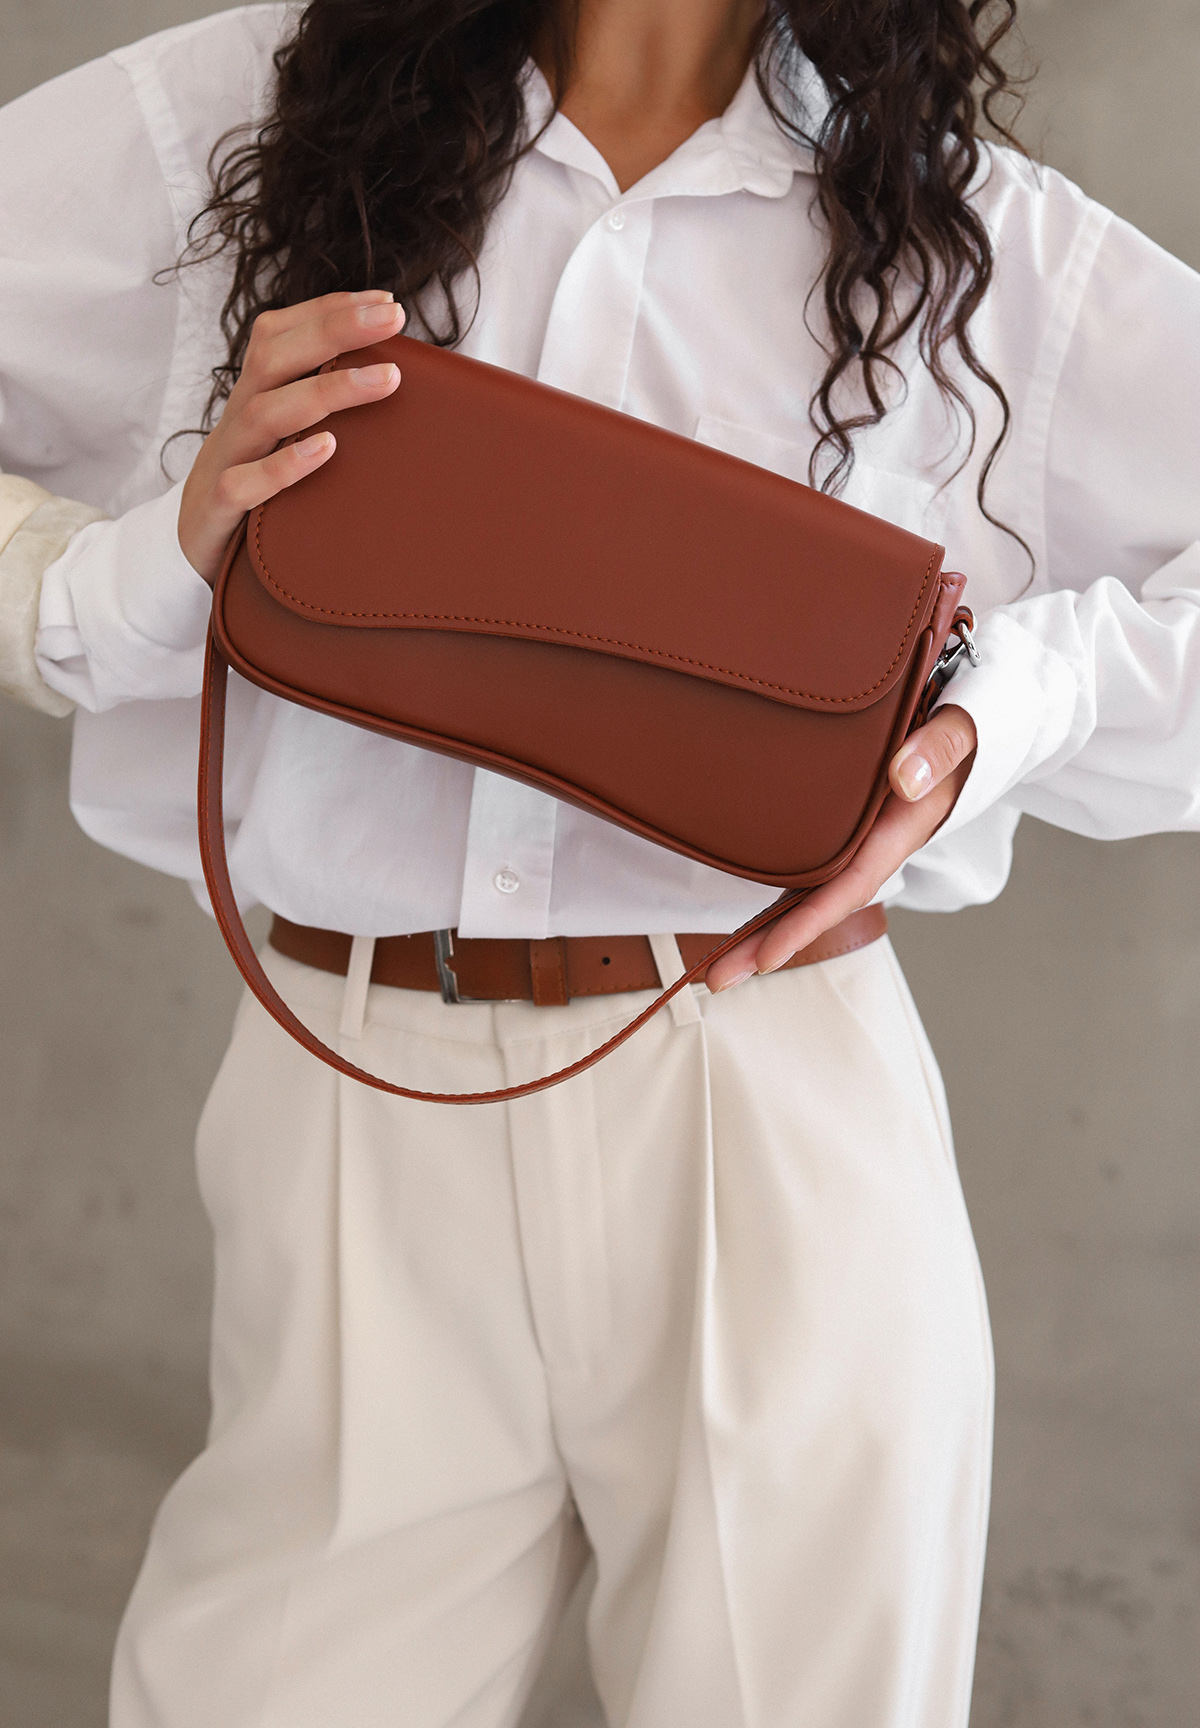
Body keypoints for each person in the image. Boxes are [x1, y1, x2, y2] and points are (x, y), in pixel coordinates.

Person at [0, 1, 1197, 1723]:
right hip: (348, 1101)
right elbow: (119, 570)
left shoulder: (969, 233)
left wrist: (1008, 706)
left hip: (764, 1110)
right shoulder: (238, 115)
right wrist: (143, 569)